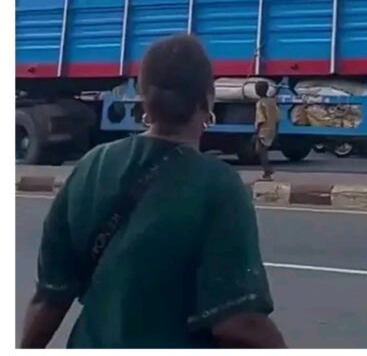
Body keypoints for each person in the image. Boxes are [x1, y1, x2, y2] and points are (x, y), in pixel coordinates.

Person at [21, 34, 284, 348]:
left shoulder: (92, 166)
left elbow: (50, 298)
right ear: (208, 98)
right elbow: (238, 321)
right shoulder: (218, 185)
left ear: (143, 96)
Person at [252, 80, 280, 181]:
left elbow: (260, 119)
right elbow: (277, 116)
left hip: (263, 130)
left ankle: (267, 172)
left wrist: (256, 133)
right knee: (262, 151)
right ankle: (267, 171)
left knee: (261, 151)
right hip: (271, 129)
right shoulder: (272, 102)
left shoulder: (260, 103)